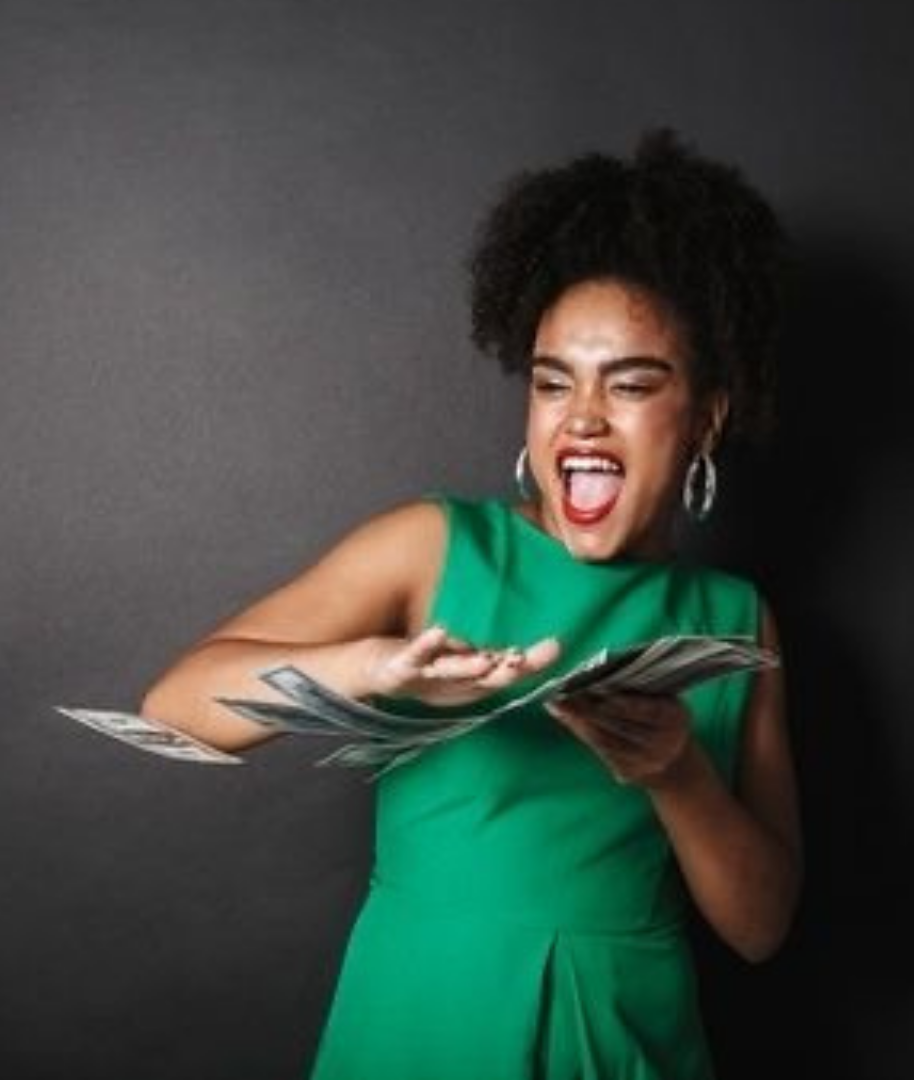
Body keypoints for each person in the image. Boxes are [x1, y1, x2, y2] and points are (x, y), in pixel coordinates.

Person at [141, 129, 802, 1080]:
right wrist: (369, 666)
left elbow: (762, 926)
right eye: (552, 383)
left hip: (622, 1039)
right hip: (422, 1017)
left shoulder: (737, 620)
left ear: (706, 417)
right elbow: (175, 708)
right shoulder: (432, 547)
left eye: (630, 385)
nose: (582, 417)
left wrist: (679, 775)